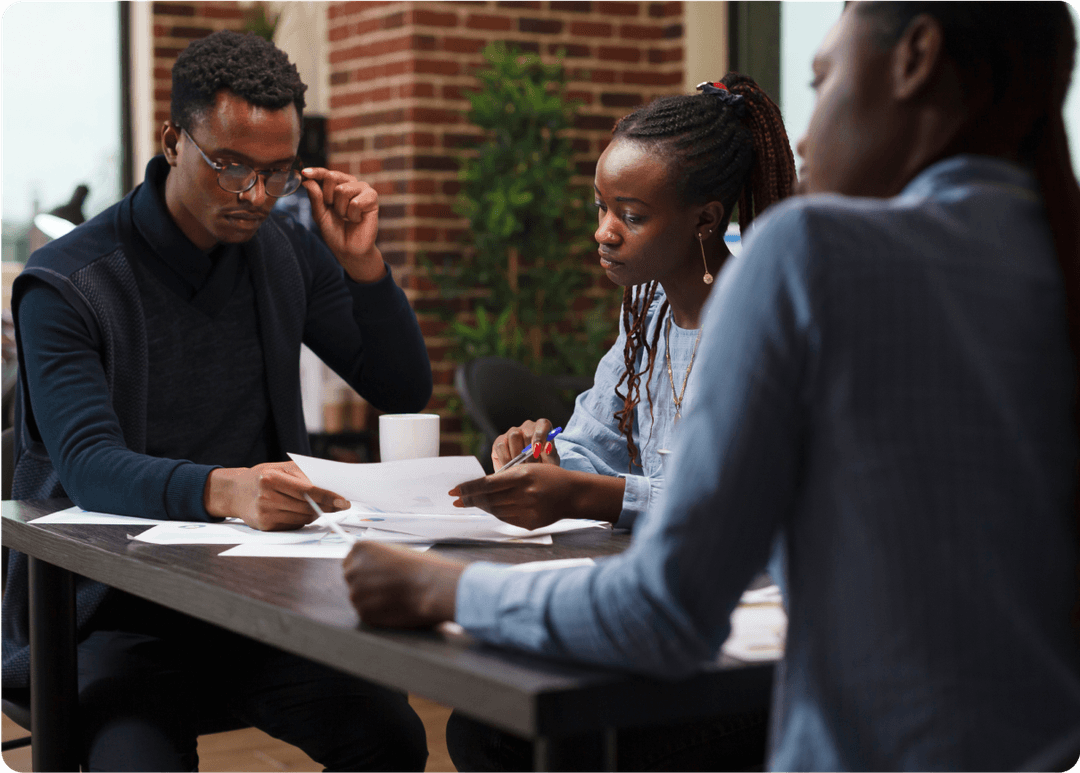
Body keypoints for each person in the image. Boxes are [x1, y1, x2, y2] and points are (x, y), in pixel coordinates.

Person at [343, 2, 1080, 770]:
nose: (802, 137)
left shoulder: (811, 254)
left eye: (821, 80)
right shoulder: (1050, 255)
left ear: (916, 56)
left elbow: (665, 613)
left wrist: (440, 591)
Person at [3, 30, 431, 772]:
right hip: (109, 613)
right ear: (172, 139)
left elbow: (400, 387)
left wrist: (362, 263)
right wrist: (228, 487)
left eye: (278, 171)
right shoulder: (66, 282)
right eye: (231, 165)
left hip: (255, 599)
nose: (256, 195)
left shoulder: (285, 249)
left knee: (389, 737)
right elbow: (88, 465)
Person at [449, 73, 796, 539]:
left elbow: (734, 498)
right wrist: (547, 460)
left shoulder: (762, 325)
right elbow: (594, 445)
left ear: (706, 219)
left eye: (631, 216)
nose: (604, 232)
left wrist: (581, 494)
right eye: (601, 207)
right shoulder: (647, 310)